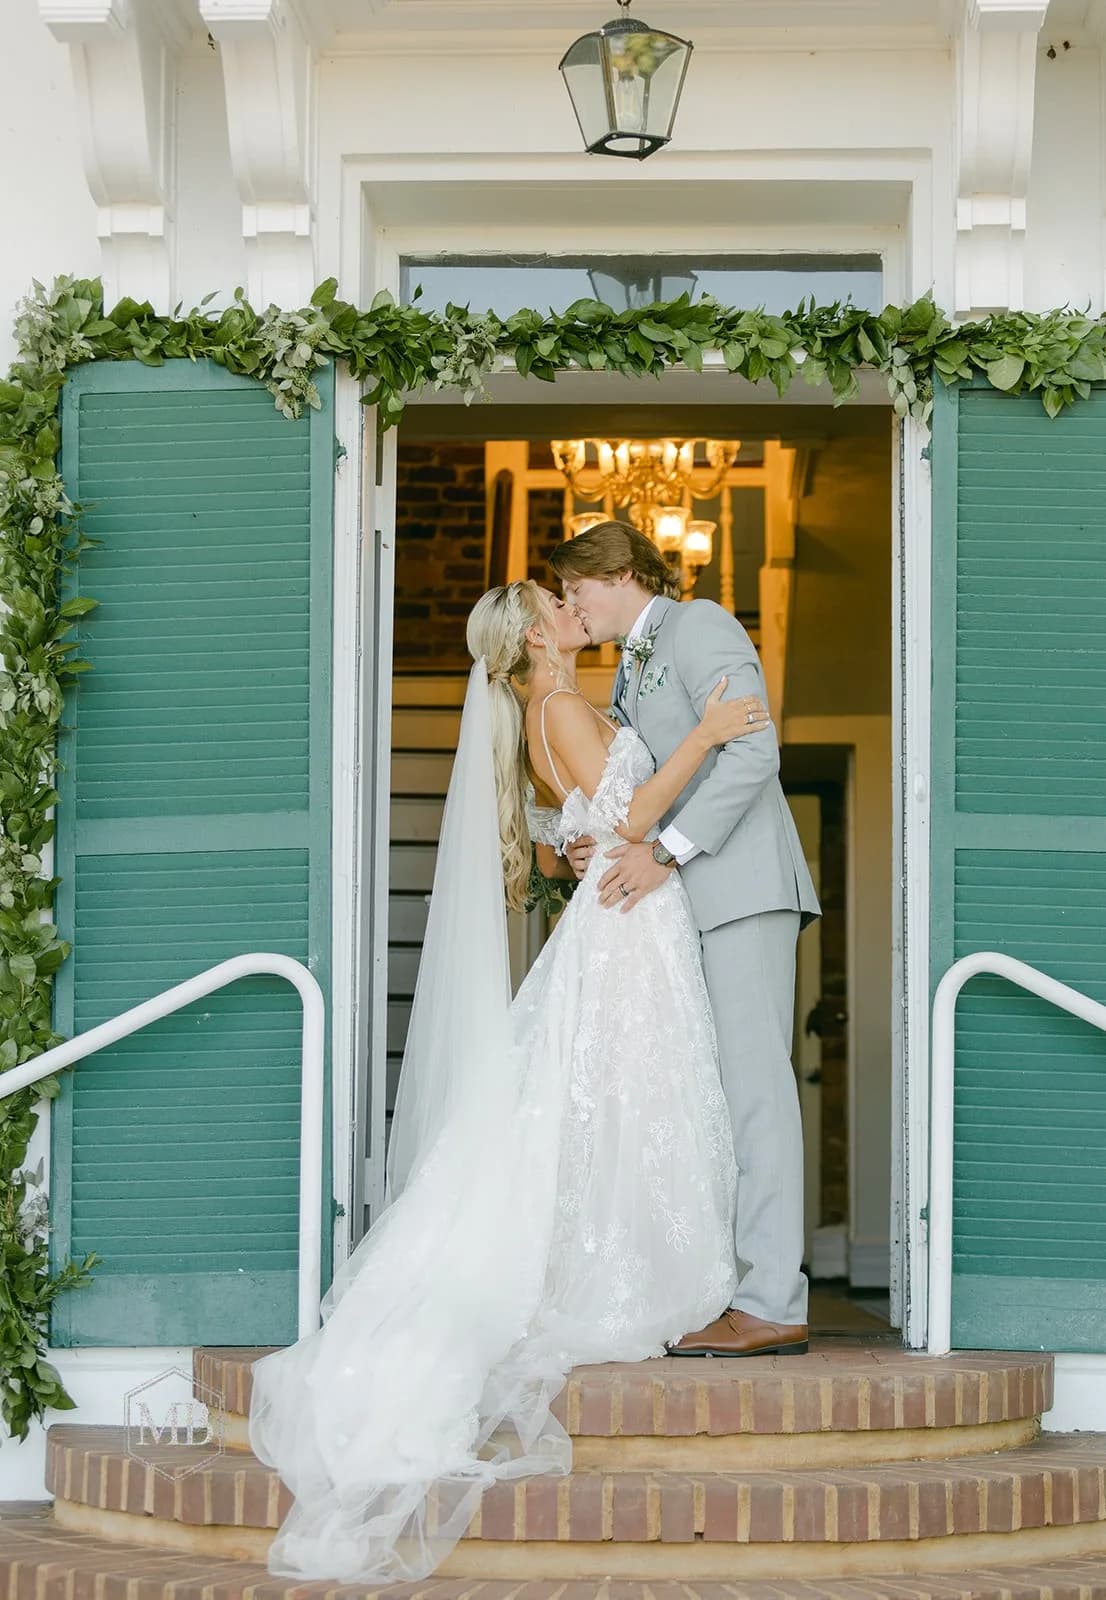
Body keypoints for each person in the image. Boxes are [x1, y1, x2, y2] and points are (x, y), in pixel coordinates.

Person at [248, 578, 770, 1585]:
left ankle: (629, 1247)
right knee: (630, 1093)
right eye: (558, 603)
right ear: (538, 632)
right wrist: (705, 735)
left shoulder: (553, 712)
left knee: (617, 1098)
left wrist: (585, 831)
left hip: (616, 918)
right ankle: (626, 1265)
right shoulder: (562, 706)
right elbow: (632, 818)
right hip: (629, 924)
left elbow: (571, 831)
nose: (573, 610)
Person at [550, 521, 821, 1358]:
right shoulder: (628, 666)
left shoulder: (699, 624)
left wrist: (665, 849)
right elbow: (644, 781)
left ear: (623, 572)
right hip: (684, 906)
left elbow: (752, 751)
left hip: (739, 892)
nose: (571, 607)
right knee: (713, 1099)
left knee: (754, 1092)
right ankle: (730, 1285)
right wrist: (597, 835)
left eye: (577, 589)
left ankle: (773, 1298)